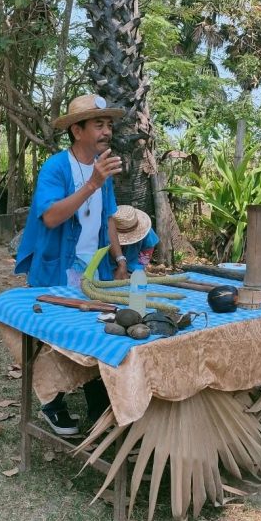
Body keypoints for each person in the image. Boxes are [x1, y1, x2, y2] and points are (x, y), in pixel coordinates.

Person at [15, 93, 128, 435]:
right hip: (57, 269)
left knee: (95, 333)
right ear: (77, 131)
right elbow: (50, 217)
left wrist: (120, 258)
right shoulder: (56, 167)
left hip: (96, 272)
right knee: (55, 339)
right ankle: (52, 404)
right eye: (98, 124)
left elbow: (109, 217)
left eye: (108, 125)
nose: (106, 131)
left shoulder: (102, 168)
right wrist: (92, 183)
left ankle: (98, 406)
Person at [110, 205, 159, 274]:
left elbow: (148, 248)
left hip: (134, 268)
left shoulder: (147, 232)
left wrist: (140, 267)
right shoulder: (104, 233)